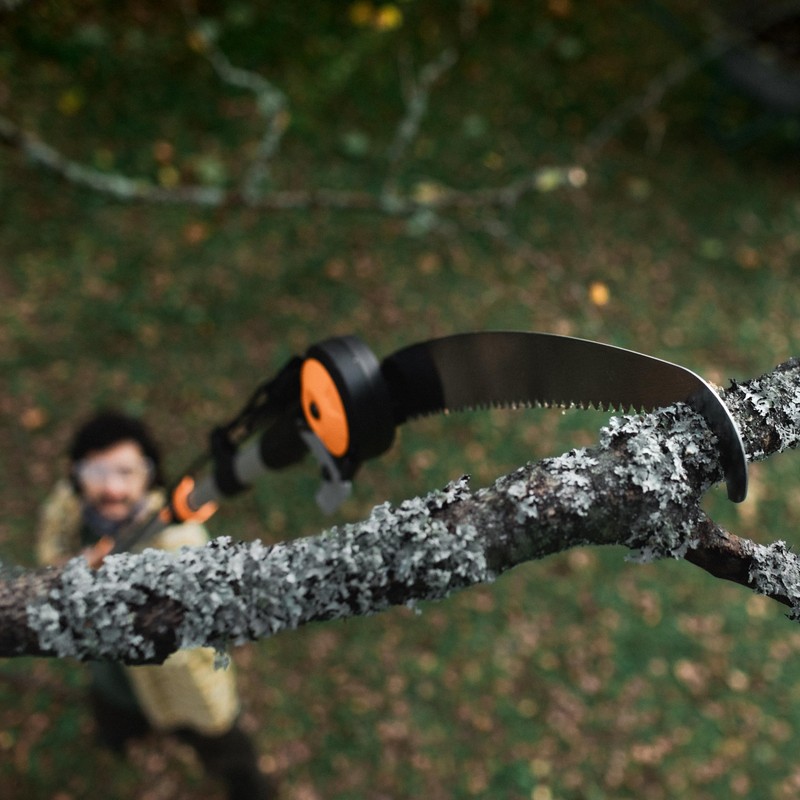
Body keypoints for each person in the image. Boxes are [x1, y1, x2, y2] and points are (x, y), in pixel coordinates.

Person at [36, 410, 277, 800]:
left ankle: (248, 787)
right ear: (76, 474)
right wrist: (74, 568)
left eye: (126, 472)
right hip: (111, 676)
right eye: (96, 472)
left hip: (184, 686)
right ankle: (119, 738)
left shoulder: (179, 543)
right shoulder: (72, 505)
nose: (112, 488)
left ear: (148, 475)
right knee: (115, 716)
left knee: (221, 744)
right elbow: (51, 552)